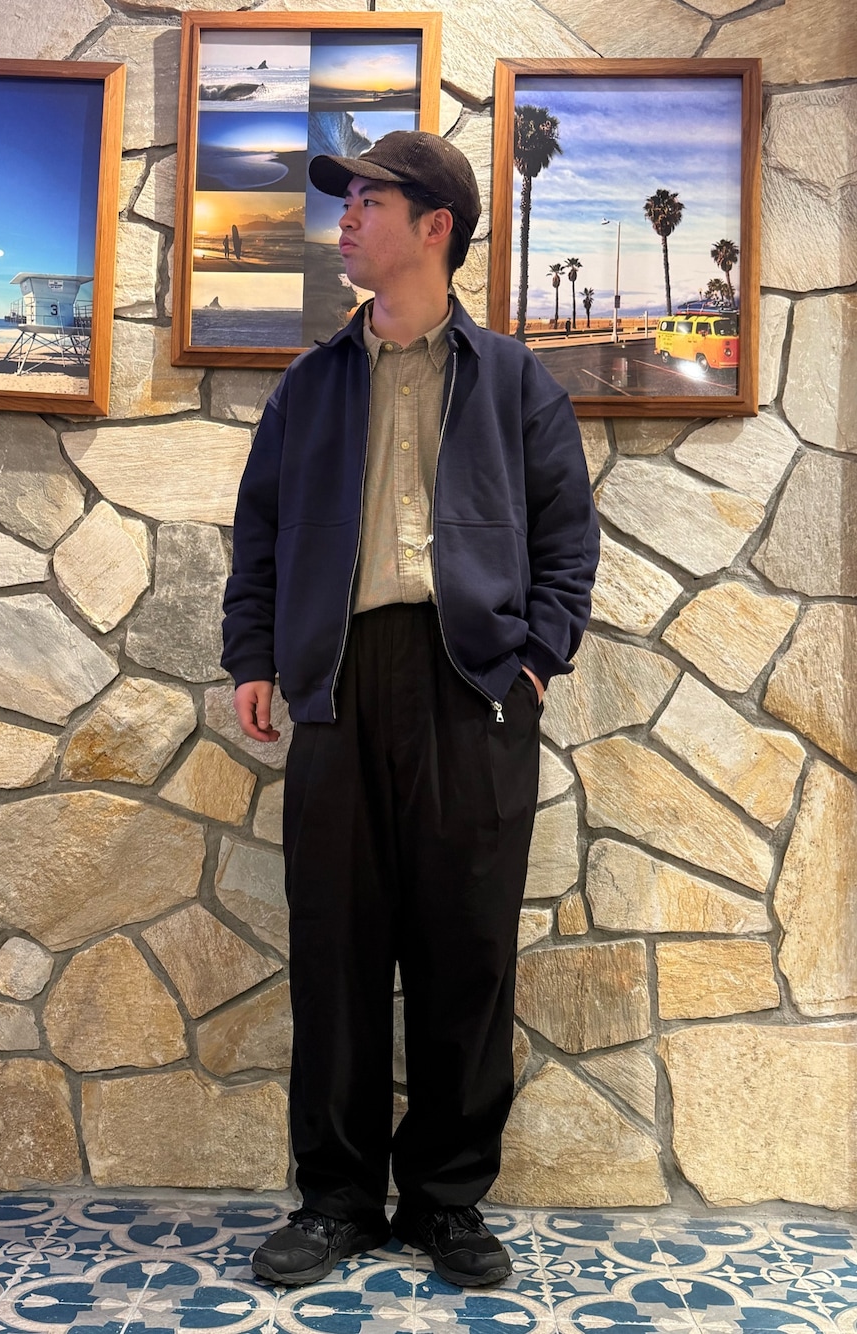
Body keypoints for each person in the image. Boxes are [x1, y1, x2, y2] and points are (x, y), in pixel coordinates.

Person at [221, 131, 599, 1290]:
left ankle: (445, 1199)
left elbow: (566, 542)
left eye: (366, 199)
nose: (344, 216)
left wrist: (532, 664)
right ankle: (335, 1197)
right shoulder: (311, 385)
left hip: (471, 688)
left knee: (464, 947)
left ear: (434, 226)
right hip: (338, 685)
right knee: (334, 948)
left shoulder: (516, 382)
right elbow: (260, 532)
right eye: (344, 199)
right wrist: (254, 653)